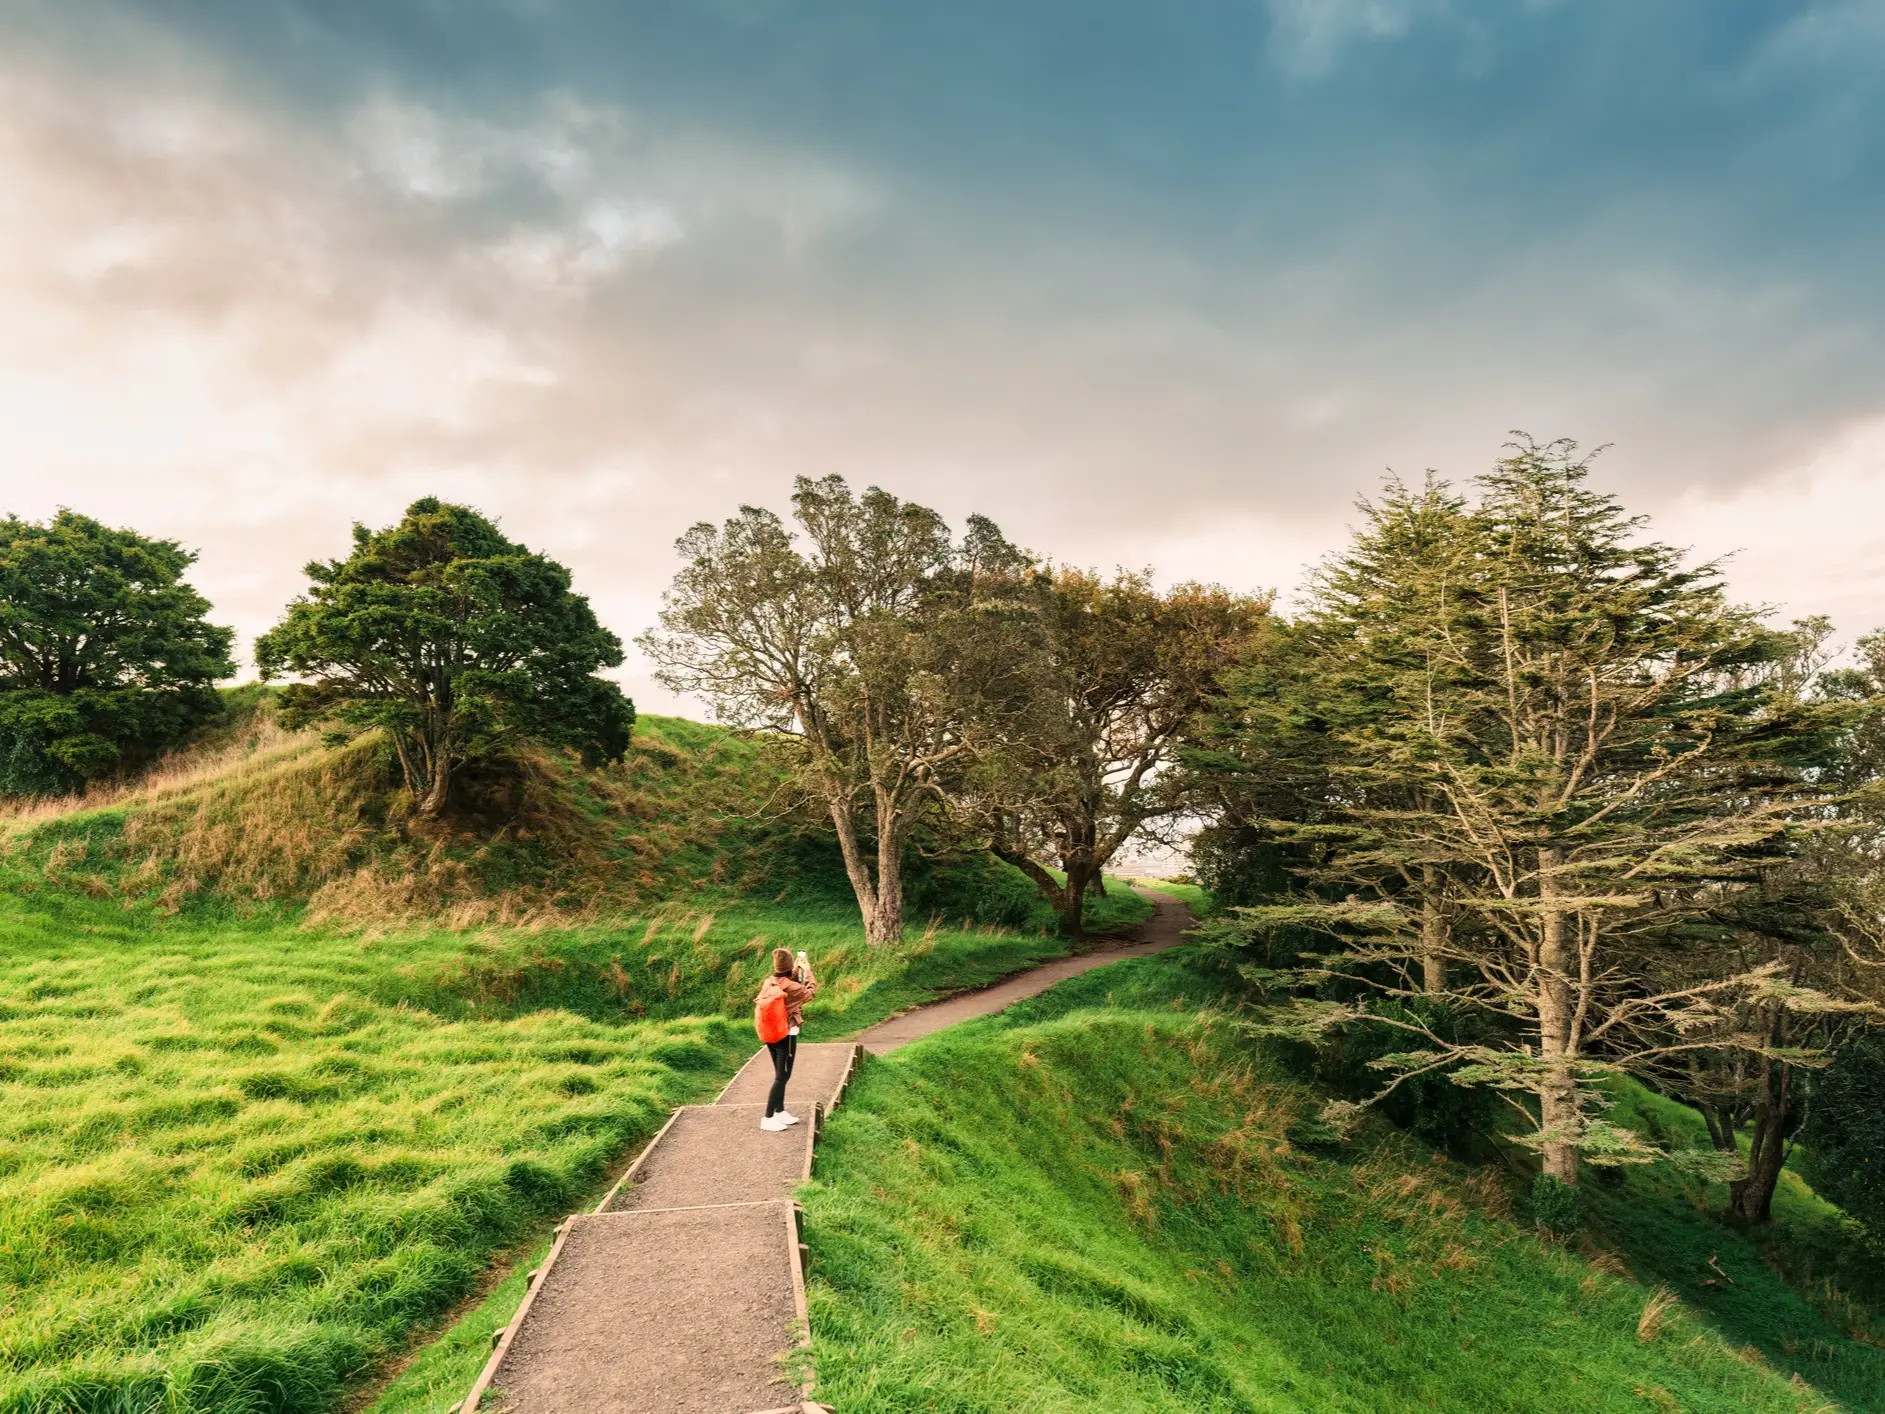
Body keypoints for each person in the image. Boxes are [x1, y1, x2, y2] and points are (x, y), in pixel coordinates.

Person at [756, 947, 815, 1132]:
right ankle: (767, 1117)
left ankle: (780, 1111)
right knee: (783, 1076)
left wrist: (796, 969)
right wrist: (808, 971)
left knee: (780, 1074)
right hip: (786, 1035)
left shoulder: (770, 981)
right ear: (789, 966)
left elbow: (787, 981)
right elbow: (809, 992)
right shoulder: (794, 988)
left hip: (770, 1033)